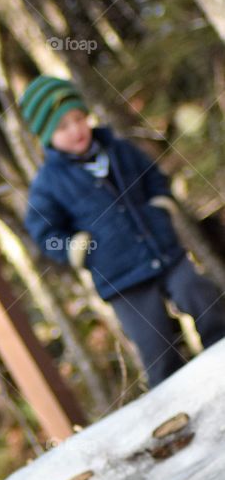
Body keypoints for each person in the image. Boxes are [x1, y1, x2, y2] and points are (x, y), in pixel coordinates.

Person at [20, 75, 225, 388]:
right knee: (155, 344)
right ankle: (173, 400)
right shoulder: (48, 184)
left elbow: (153, 178)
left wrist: (161, 205)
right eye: (63, 127)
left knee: (200, 296)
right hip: (120, 275)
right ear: (47, 136)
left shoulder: (118, 150)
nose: (75, 130)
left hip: (163, 252)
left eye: (78, 119)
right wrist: (75, 248)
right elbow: (45, 233)